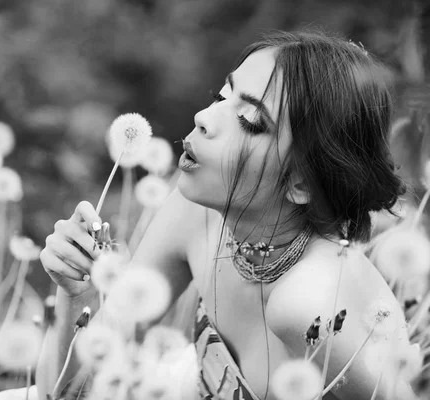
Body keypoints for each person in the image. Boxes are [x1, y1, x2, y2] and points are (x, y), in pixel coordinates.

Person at [36, 30, 420, 400]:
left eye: (250, 121)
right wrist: (79, 293)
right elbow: (72, 391)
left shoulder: (308, 302)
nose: (204, 116)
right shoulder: (195, 215)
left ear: (302, 184)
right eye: (222, 95)